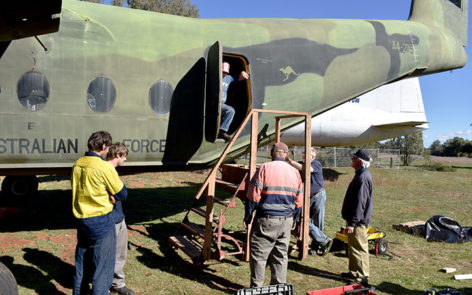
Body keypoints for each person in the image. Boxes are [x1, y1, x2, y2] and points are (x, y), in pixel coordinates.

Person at [71, 131, 127, 295]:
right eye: (107, 147)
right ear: (103, 146)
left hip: (81, 219)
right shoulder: (103, 166)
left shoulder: (78, 163)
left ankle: (78, 291)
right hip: (101, 221)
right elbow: (122, 194)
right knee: (104, 265)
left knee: (82, 260)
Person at [244, 142, 303, 287]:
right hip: (287, 220)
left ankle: (257, 287)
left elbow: (253, 195)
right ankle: (279, 286)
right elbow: (299, 200)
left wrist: (248, 215)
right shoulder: (295, 172)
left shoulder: (264, 167)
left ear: (272, 153)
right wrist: (294, 219)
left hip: (266, 219)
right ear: (286, 154)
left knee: (259, 256)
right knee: (281, 255)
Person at [287, 147, 332, 256]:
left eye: (306, 155)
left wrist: (290, 161)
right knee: (304, 220)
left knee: (318, 221)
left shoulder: (316, 164)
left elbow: (307, 169)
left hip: (318, 195)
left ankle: (317, 247)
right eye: (303, 154)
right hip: (307, 197)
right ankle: (323, 240)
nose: (304, 156)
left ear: (313, 157)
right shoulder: (300, 164)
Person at [341, 149, 374, 287]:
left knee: (359, 248)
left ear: (360, 161)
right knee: (353, 247)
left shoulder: (363, 177)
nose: (352, 160)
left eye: (354, 158)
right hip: (355, 220)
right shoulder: (360, 174)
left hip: (358, 222)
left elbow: (360, 202)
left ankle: (362, 276)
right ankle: (353, 272)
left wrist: (353, 222)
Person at [107, 143, 135, 295]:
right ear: (118, 155)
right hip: (108, 219)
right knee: (106, 254)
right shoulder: (106, 170)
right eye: (124, 156)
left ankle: (117, 283)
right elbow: (122, 194)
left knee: (120, 253)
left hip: (119, 217)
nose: (125, 160)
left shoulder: (113, 171)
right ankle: (103, 285)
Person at [218, 61, 250, 142]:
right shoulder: (214, 77)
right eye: (222, 72)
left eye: (225, 72)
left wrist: (243, 73)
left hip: (221, 104)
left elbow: (239, 77)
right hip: (212, 103)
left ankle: (222, 131)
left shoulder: (228, 78)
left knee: (230, 110)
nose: (224, 74)